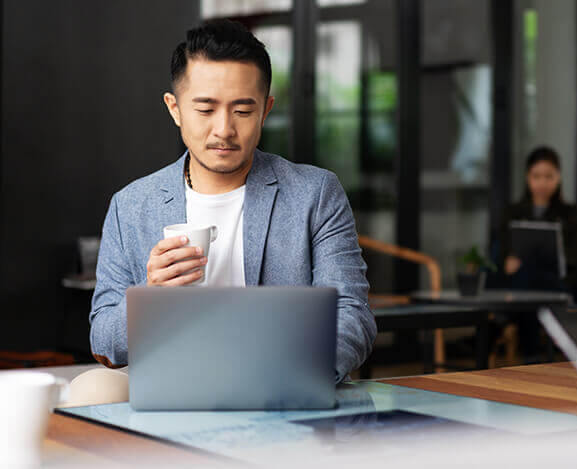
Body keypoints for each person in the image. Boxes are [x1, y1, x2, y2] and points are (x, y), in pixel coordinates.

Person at [89, 20, 376, 383]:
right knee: (93, 389)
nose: (224, 129)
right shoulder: (131, 206)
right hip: (175, 392)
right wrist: (151, 297)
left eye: (242, 111)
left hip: (284, 390)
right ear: (175, 109)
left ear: (266, 110)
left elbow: (352, 316)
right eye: (206, 110)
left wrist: (288, 376)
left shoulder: (314, 194)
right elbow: (103, 341)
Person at [498, 146, 577, 293]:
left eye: (549, 176)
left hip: (557, 281)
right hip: (521, 278)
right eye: (536, 176)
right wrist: (508, 262)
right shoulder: (512, 213)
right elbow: (504, 251)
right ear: (527, 177)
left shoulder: (573, 214)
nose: (542, 183)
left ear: (558, 178)